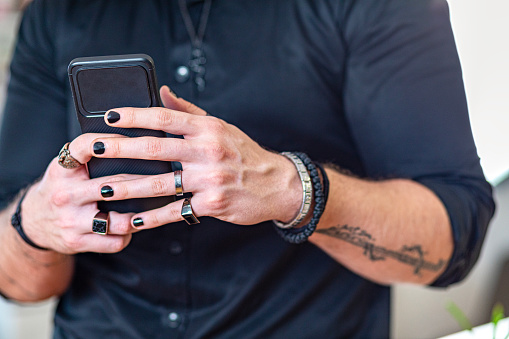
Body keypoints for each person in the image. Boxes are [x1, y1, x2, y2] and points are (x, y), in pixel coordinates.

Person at [0, 0, 495, 338]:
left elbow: (454, 233)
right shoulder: (57, 11)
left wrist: (291, 190)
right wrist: (36, 221)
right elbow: (15, 280)